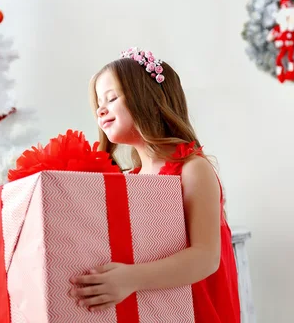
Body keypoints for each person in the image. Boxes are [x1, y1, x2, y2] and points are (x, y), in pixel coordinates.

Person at [69, 47, 240, 322]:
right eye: (99, 103)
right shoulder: (129, 179)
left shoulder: (193, 169)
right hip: (154, 308)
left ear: (147, 99)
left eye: (111, 98)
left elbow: (206, 257)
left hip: (195, 308)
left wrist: (131, 278)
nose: (101, 109)